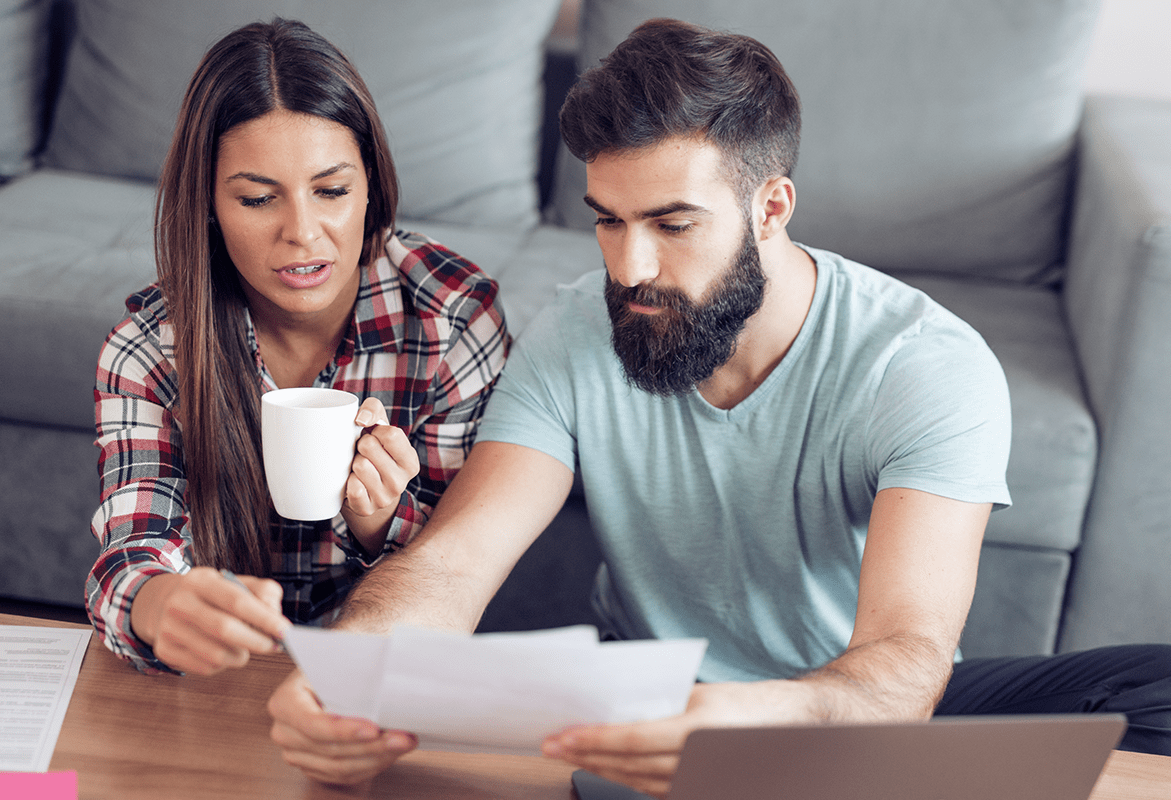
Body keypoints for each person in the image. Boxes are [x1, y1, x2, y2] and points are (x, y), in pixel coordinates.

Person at [265, 18, 1171, 797]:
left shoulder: (922, 367)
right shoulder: (580, 328)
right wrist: (357, 676)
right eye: (607, 219)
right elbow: (452, 564)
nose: (630, 267)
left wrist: (753, 712)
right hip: (644, 712)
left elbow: (904, 660)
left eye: (671, 224)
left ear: (769, 207)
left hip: (837, 710)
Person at [86, 19, 508, 678]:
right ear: (207, 205)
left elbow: (454, 570)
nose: (303, 233)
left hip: (380, 674)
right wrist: (161, 603)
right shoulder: (148, 349)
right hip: (217, 678)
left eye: (332, 191)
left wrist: (377, 520)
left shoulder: (449, 318)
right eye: (258, 199)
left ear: (371, 186)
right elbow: (129, 557)